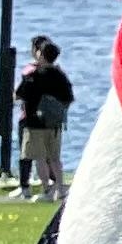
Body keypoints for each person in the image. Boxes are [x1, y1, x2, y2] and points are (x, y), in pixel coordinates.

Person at [14, 36, 75, 201]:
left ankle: (47, 189)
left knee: (39, 157)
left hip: (34, 123)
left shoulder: (35, 75)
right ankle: (60, 188)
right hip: (54, 124)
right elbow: (68, 97)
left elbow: (19, 95)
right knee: (55, 158)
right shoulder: (60, 75)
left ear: (41, 54)